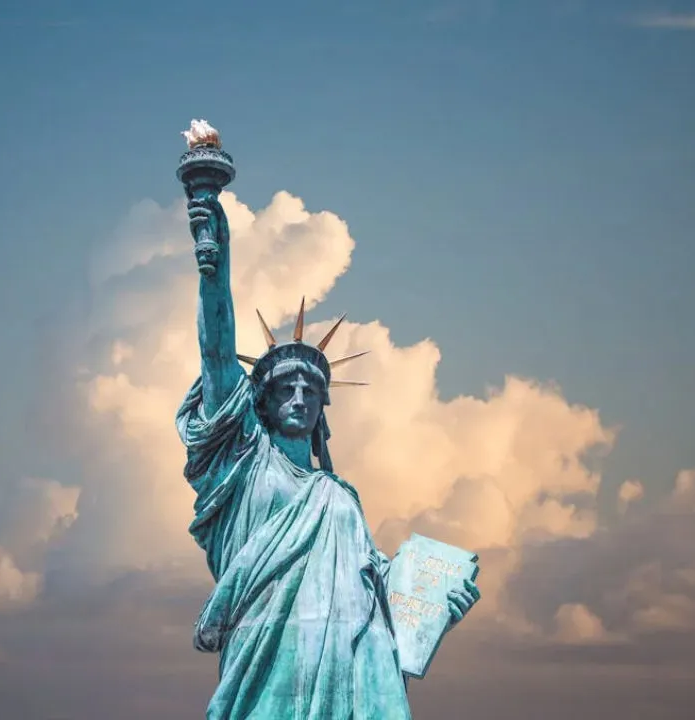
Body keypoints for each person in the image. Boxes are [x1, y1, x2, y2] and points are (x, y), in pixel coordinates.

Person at [176, 195, 478, 719]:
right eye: (285, 389)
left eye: (310, 391)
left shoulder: (338, 496)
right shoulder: (246, 464)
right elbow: (218, 353)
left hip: (351, 662)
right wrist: (213, 267)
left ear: (322, 407)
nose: (298, 399)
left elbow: (382, 592)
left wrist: (436, 606)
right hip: (269, 657)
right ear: (261, 405)